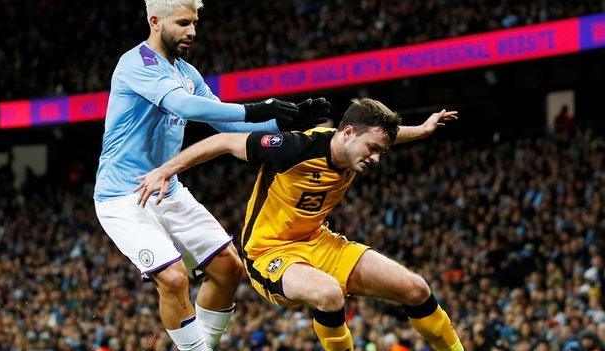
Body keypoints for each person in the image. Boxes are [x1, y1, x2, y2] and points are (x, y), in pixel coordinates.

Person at [136, 98, 464, 351]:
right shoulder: (294, 149)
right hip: (268, 252)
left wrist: (422, 129)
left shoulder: (353, 145)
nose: (376, 157)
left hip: (319, 242)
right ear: (348, 133)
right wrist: (166, 170)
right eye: (373, 149)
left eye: (381, 150)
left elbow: (382, 137)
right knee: (329, 294)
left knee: (416, 289)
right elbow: (222, 142)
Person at [93, 1, 328, 350]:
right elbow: (184, 106)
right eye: (183, 22)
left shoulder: (187, 73)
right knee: (173, 278)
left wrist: (284, 119)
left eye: (195, 23)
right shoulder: (136, 64)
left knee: (229, 268)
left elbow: (224, 123)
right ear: (155, 22)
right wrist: (258, 107)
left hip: (166, 189)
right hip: (123, 197)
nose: (193, 31)